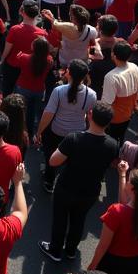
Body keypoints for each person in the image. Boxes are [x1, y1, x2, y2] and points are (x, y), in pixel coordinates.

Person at [40, 101, 119, 263]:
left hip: (67, 187)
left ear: (89, 116)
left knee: (60, 219)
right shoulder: (113, 144)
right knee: (79, 219)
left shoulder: (74, 138)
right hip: (90, 191)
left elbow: (54, 161)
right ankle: (70, 250)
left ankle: (55, 250)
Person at [35, 59, 96, 193]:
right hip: (77, 133)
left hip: (56, 131)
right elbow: (90, 116)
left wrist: (39, 131)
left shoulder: (58, 91)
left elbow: (48, 113)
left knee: (51, 156)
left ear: (69, 73)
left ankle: (49, 182)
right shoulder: (91, 94)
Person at [100, 43, 138, 145]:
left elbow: (106, 103)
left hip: (114, 118)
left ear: (114, 56)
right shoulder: (134, 66)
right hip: (128, 113)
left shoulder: (111, 76)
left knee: (109, 141)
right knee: (120, 138)